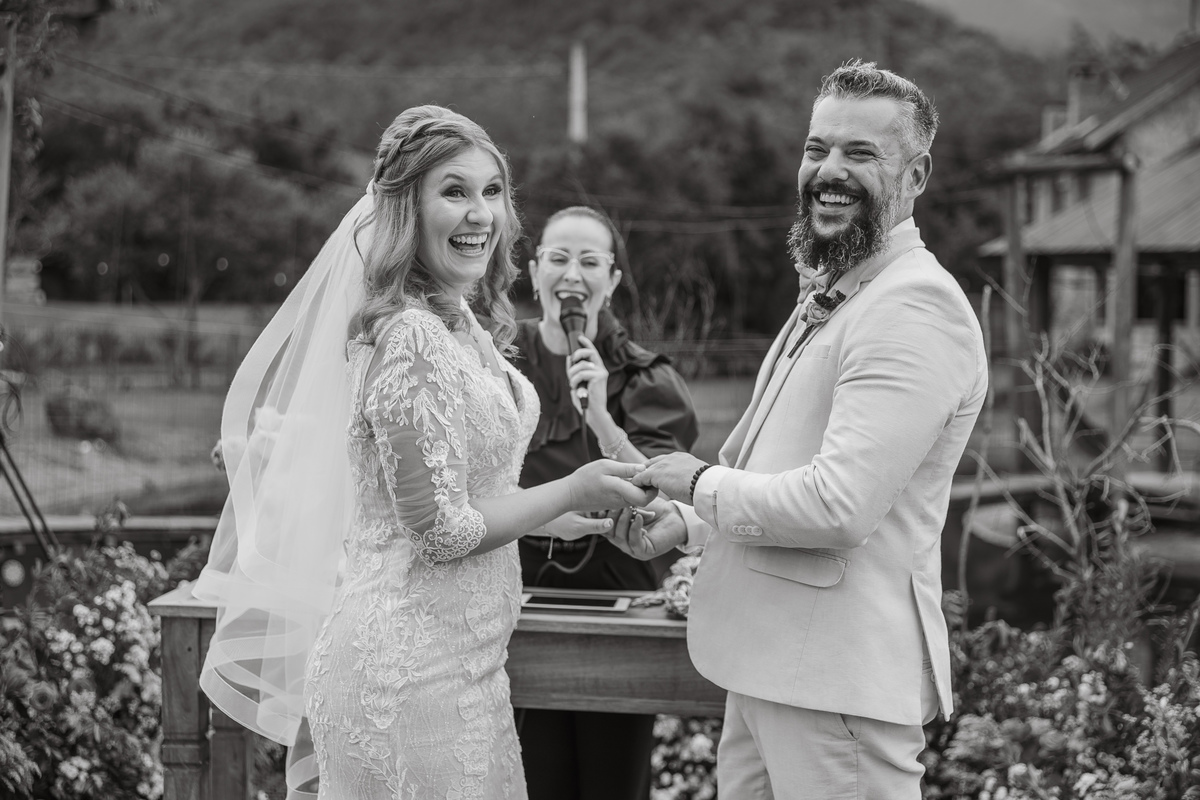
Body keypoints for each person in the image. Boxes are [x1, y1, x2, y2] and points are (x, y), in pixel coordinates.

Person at [193, 105, 655, 800]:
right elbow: (438, 531)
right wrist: (570, 487)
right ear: (407, 208)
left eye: (492, 191)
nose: (480, 214)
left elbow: (470, 492)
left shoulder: (461, 320)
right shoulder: (409, 335)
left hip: (468, 666)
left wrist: (562, 518)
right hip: (406, 673)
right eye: (454, 191)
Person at [608, 61, 988, 798]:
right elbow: (777, 466)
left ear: (916, 174)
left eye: (860, 153)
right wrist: (685, 522)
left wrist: (699, 483)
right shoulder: (839, 288)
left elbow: (838, 506)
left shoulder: (914, 306)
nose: (829, 171)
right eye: (818, 149)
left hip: (836, 690)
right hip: (770, 670)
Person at [512, 206, 699, 800]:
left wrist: (599, 417)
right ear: (534, 272)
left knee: (611, 783)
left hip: (618, 610)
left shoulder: (648, 378)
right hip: (514, 605)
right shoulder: (495, 362)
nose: (572, 274)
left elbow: (664, 498)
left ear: (612, 280)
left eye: (589, 262)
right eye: (558, 258)